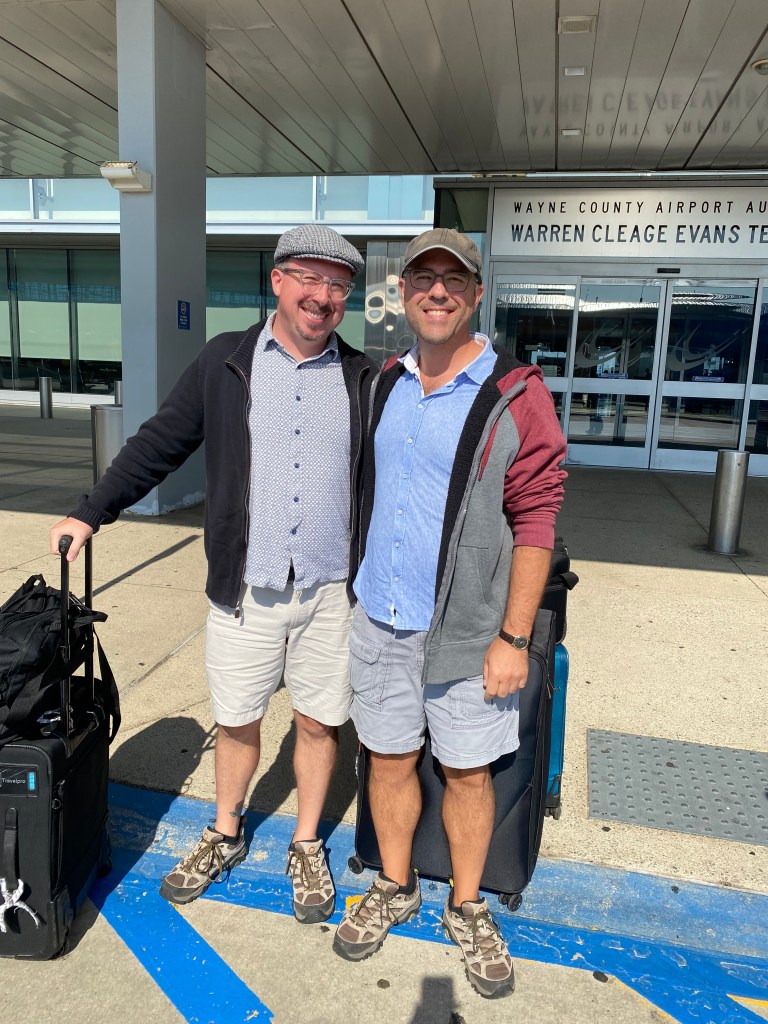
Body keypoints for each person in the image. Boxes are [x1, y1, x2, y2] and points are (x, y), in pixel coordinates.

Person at [50, 225, 376, 923]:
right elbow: (160, 442)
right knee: (237, 720)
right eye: (310, 278)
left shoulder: (363, 376)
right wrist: (92, 510)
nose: (323, 296)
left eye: (337, 285)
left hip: (330, 593)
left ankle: (307, 841)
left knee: (320, 724)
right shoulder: (226, 361)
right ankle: (226, 830)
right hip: (245, 588)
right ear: (278, 281)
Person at [333, 228, 566, 998]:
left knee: (467, 772)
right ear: (402, 293)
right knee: (388, 760)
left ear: (475, 294)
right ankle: (394, 884)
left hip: (468, 632)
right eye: (423, 278)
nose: (437, 291)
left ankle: (467, 905)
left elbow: (536, 518)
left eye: (454, 279)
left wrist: (514, 636)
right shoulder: (383, 383)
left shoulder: (515, 394)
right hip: (381, 619)